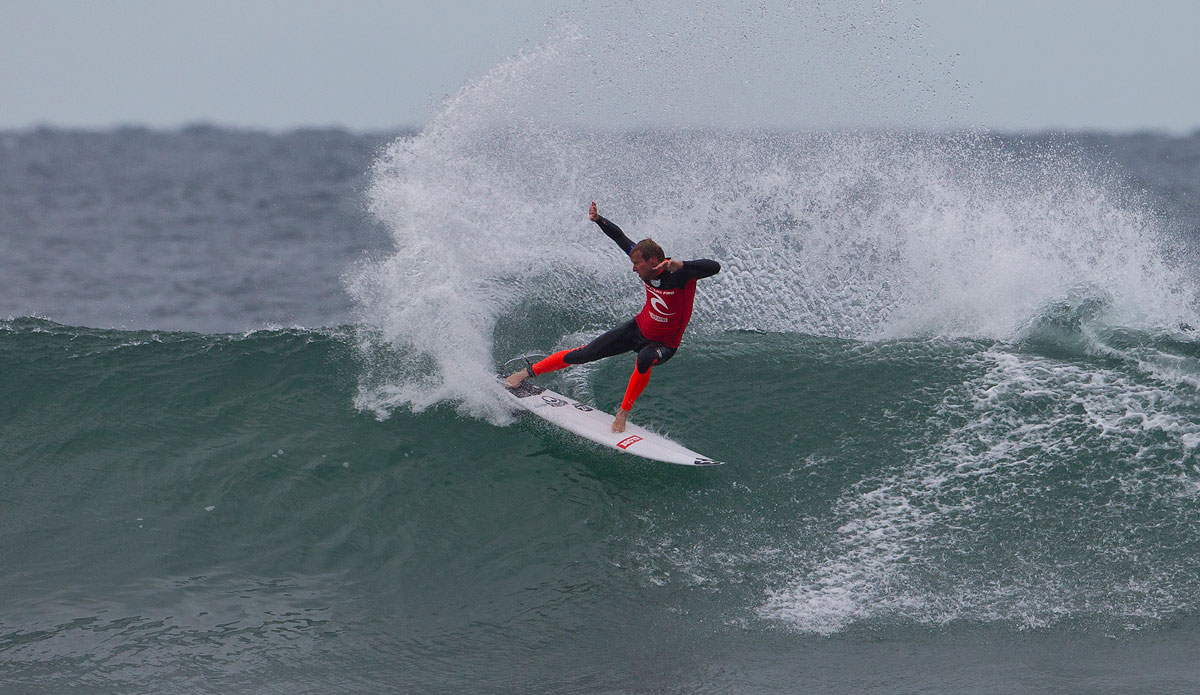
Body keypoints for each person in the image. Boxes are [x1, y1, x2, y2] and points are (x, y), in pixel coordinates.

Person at [506, 201, 721, 433]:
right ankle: (523, 374)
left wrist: (681, 264)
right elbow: (620, 238)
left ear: (651, 261)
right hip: (638, 328)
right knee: (585, 354)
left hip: (665, 344)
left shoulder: (681, 275)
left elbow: (714, 266)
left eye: (636, 263)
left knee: (645, 358)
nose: (633, 268)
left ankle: (622, 413)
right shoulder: (645, 263)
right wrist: (599, 220)